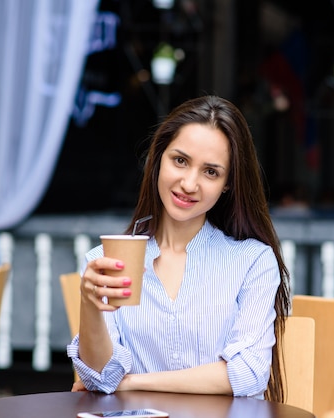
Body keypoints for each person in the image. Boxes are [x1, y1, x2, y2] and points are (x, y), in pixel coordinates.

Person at [66, 95, 291, 402]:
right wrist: (89, 302)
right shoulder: (104, 261)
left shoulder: (253, 261)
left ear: (228, 183)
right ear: (158, 158)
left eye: (210, 172)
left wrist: (131, 383)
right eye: (180, 161)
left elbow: (248, 374)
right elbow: (101, 376)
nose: (189, 183)